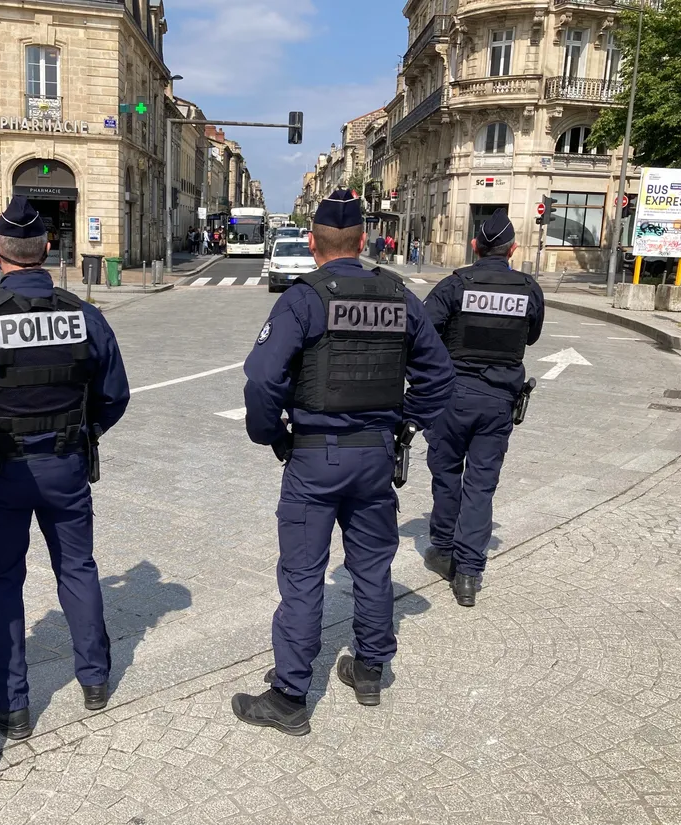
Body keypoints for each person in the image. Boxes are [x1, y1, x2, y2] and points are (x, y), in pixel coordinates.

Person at [233, 189, 455, 735]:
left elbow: (263, 379)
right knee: (372, 566)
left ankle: (289, 695)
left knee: (304, 575)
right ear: (364, 240)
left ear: (313, 244)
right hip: (375, 457)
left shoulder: (304, 299)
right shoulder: (398, 297)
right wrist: (403, 425)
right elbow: (439, 377)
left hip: (315, 458)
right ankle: (371, 669)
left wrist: (273, 436)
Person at [0, 196, 131, 739]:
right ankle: (95, 680)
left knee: (3, 580)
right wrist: (81, 432)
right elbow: (115, 395)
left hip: (0, 470)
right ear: (48, 250)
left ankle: (12, 705)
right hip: (66, 463)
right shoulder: (84, 315)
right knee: (78, 568)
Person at [421, 208, 545, 607]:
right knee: (480, 486)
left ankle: (442, 550)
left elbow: (422, 332)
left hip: (451, 397)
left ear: (475, 245)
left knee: (446, 474)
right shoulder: (528, 288)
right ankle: (469, 576)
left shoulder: (455, 285)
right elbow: (534, 335)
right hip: (497, 403)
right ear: (513, 249)